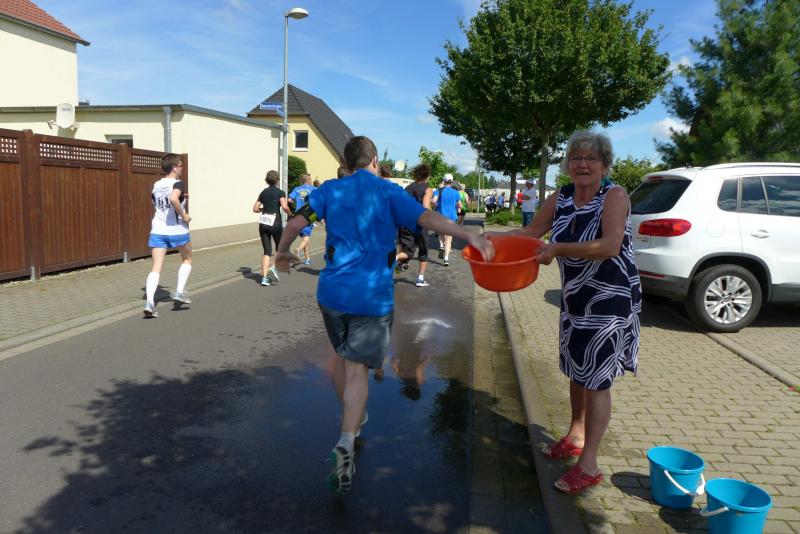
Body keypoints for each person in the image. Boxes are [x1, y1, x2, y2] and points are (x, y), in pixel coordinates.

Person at [275, 135, 494, 495]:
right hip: (371, 298)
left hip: (331, 294)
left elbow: (297, 221)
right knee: (357, 369)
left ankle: (354, 416)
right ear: (374, 160)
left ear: (346, 163)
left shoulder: (329, 190)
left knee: (343, 358)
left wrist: (283, 252)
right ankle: (347, 439)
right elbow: (426, 217)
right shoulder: (388, 192)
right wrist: (468, 236)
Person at [486, 130, 640, 494]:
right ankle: (575, 435)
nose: (582, 164)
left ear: (604, 164)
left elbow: (610, 245)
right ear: (567, 164)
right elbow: (532, 231)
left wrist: (557, 248)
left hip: (610, 299)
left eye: (591, 158)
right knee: (576, 370)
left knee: (597, 380)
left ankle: (589, 464)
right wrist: (493, 239)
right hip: (574, 298)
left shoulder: (614, 196)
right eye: (576, 158)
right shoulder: (562, 196)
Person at [143, 153, 192, 318]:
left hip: (158, 230)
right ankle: (179, 292)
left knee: (156, 267)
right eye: (180, 166)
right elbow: (172, 198)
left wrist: (182, 199)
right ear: (174, 168)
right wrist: (184, 215)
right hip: (177, 230)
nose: (182, 168)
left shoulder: (157, 184)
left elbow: (158, 202)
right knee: (187, 258)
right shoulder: (178, 183)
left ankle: (149, 303)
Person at [395, 164, 433, 287]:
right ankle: (420, 279)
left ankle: (394, 259)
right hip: (420, 224)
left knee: (408, 252)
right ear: (427, 176)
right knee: (423, 251)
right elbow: (425, 207)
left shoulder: (407, 188)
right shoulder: (428, 189)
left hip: (405, 223)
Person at [252, 170, 291, 286]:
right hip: (275, 222)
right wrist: (290, 214)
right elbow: (284, 206)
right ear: (277, 180)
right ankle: (273, 269)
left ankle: (264, 278)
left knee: (267, 252)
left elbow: (255, 209)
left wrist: (263, 209)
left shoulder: (263, 192)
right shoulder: (280, 192)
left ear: (267, 180)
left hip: (263, 222)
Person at [288, 173, 316, 265]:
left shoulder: (297, 189)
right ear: (308, 180)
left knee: (304, 237)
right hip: (309, 214)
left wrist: (294, 204)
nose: (311, 180)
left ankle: (307, 258)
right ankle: (298, 249)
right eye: (310, 179)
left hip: (298, 214)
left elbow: (289, 200)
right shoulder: (314, 189)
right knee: (307, 237)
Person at [434, 175, 461, 266]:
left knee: (441, 234)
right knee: (449, 238)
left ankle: (441, 246)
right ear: (452, 182)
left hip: (441, 216)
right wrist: (456, 206)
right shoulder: (456, 192)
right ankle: (446, 259)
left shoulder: (439, 190)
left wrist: (437, 205)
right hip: (452, 217)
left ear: (444, 181)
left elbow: (433, 201)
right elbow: (460, 205)